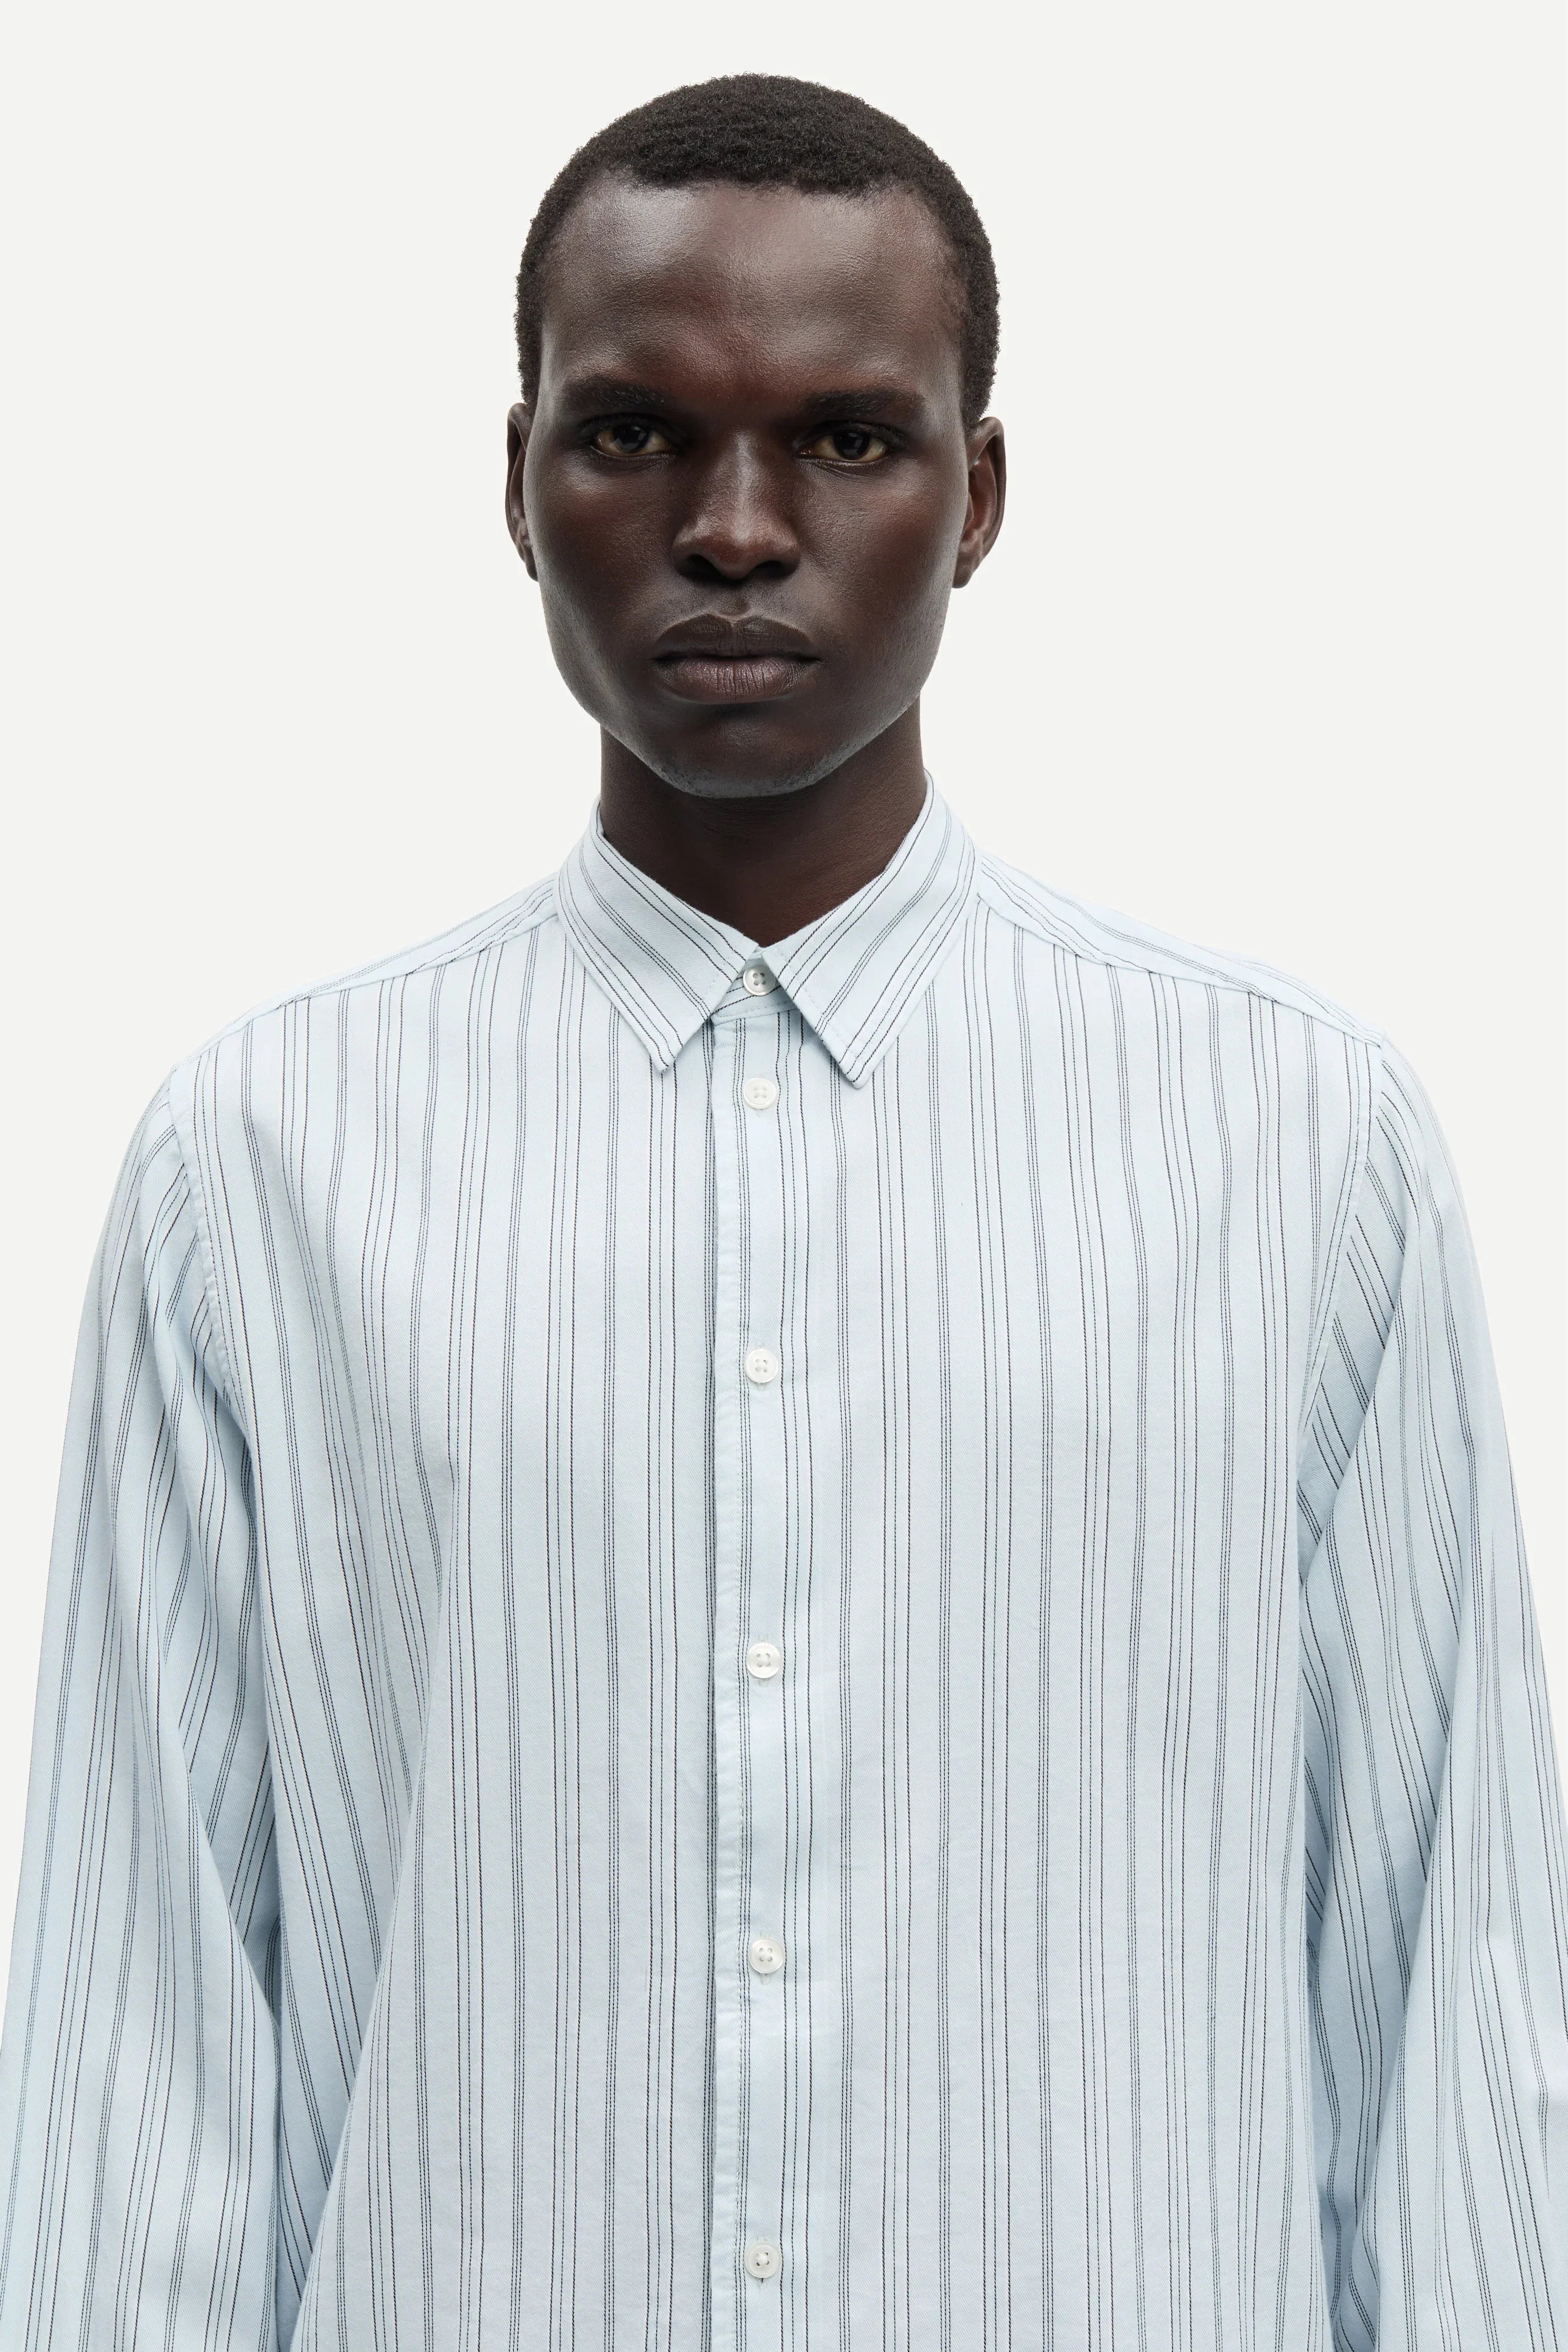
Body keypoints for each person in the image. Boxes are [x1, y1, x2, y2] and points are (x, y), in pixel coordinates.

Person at [0, 69, 1563, 2352]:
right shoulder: (261, 1163)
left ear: (978, 493)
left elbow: (1448, 2004)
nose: (735, 529)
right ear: (516, 483)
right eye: (635, 432)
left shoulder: (1295, 1146)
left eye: (844, 437)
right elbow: (140, 2057)